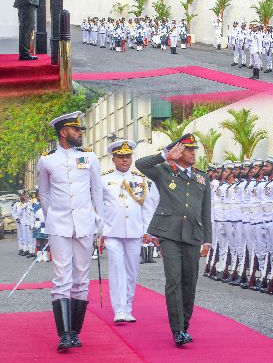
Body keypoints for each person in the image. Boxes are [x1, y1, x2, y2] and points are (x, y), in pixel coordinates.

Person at [135, 133, 212, 347]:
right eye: (188, 150)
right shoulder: (163, 171)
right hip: (169, 233)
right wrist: (164, 155)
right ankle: (177, 330)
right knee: (174, 280)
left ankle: (184, 326)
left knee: (190, 281)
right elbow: (140, 164)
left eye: (194, 149)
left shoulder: (202, 178)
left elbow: (206, 210)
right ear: (178, 152)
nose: (193, 153)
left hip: (193, 234)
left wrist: (207, 240)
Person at [37, 111, 104, 352]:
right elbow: (44, 193)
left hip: (85, 223)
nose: (80, 133)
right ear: (63, 132)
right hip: (59, 224)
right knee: (61, 277)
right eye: (76, 130)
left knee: (81, 278)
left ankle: (75, 332)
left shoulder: (89, 157)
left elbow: (97, 190)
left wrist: (99, 220)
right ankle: (64, 334)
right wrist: (52, 216)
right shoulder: (47, 160)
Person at [101, 140, 159, 323]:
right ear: (113, 159)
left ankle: (128, 307)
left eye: (128, 156)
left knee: (132, 272)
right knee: (117, 270)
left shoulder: (140, 179)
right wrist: (99, 229)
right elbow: (97, 206)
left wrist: (148, 231)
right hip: (112, 231)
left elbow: (147, 208)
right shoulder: (103, 180)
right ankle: (119, 310)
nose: (125, 160)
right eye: (121, 157)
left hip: (134, 231)